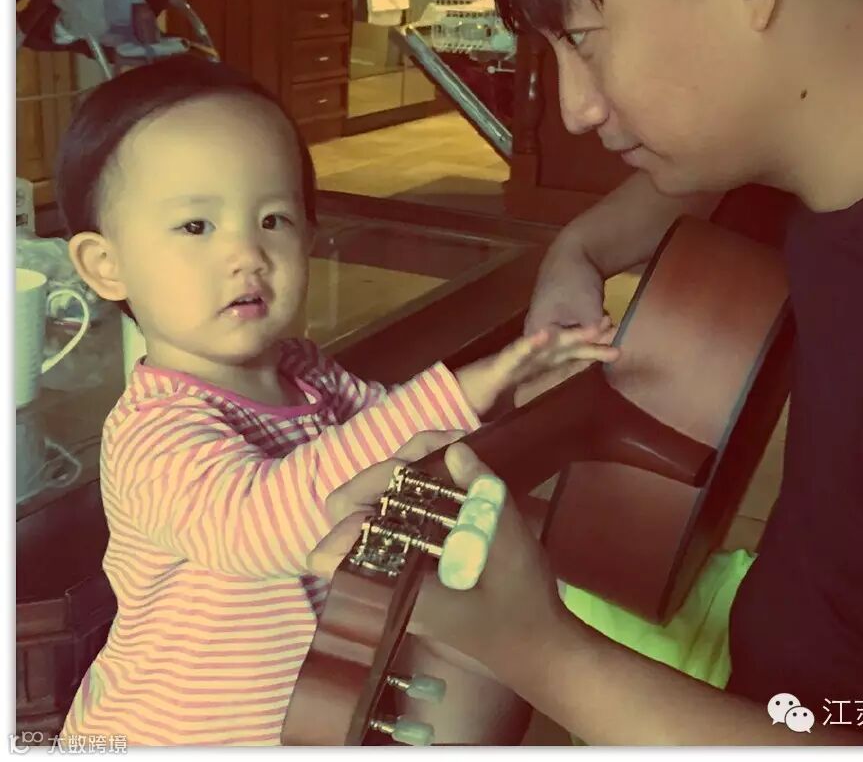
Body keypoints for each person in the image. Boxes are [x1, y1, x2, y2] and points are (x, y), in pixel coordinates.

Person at [333, 0, 863, 746]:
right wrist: (577, 252)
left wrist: (544, 653)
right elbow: (684, 190)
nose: (575, 107)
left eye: (582, 37)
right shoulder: (846, 129)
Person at [53, 54, 618, 745]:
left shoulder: (306, 373)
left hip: (309, 710)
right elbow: (261, 524)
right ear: (106, 265)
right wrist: (465, 386)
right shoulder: (153, 433)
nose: (247, 254)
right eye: (196, 226)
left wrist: (510, 392)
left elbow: (399, 433)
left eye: (273, 219)